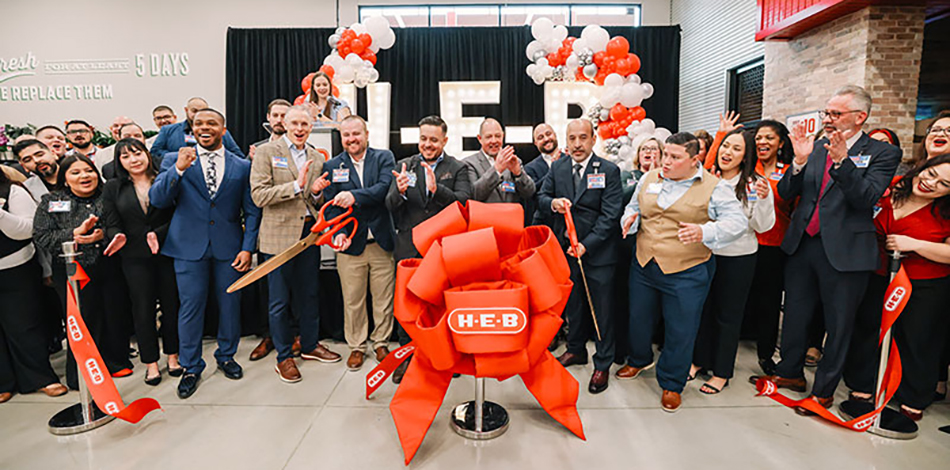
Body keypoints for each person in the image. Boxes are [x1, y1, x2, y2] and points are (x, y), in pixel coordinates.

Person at [749, 85, 902, 416]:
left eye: (836, 114)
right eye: (827, 113)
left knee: (839, 323)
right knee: (796, 315)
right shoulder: (815, 146)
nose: (828, 119)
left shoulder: (882, 153)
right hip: (804, 243)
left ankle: (824, 391)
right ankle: (789, 373)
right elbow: (789, 193)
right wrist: (799, 163)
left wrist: (843, 161)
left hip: (846, 252)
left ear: (860, 117)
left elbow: (865, 198)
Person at [618, 132, 747, 412]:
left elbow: (737, 222)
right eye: (665, 154)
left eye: (675, 157)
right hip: (644, 263)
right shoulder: (649, 178)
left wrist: (705, 231)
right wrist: (630, 218)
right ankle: (639, 360)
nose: (666, 161)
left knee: (681, 329)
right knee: (638, 319)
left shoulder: (714, 187)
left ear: (694, 160)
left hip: (686, 270)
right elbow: (634, 206)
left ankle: (672, 383)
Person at [149, 108, 261, 399]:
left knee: (229, 306)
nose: (204, 127)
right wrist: (179, 170)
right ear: (192, 129)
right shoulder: (174, 160)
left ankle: (226, 356)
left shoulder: (241, 166)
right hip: (187, 247)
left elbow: (251, 210)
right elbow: (158, 198)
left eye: (211, 123)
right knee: (190, 308)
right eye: (198, 123)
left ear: (223, 129)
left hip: (229, 247)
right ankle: (190, 366)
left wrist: (248, 247)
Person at [843, 155, 950, 421]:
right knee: (869, 328)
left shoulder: (946, 212)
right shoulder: (891, 185)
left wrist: (914, 244)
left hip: (923, 282)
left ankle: (914, 395)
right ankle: (863, 383)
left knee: (917, 338)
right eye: (931, 174)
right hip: (876, 272)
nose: (931, 183)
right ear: (923, 167)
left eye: (943, 183)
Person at [250, 106, 341, 383]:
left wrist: (314, 193)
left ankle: (311, 345)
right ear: (285, 124)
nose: (300, 128)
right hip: (277, 237)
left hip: (307, 236)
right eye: (295, 123)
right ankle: (284, 357)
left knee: (309, 294)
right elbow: (258, 195)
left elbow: (312, 202)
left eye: (305, 123)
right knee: (279, 301)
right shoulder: (267, 152)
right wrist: (296, 186)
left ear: (311, 126)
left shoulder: (315, 156)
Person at [33, 155, 134, 389]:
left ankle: (116, 362)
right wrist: (74, 233)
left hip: (109, 264)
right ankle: (82, 371)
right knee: (83, 319)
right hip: (72, 269)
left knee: (114, 313)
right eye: (75, 173)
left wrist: (103, 235)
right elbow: (41, 236)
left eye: (87, 171)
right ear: (65, 179)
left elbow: (126, 224)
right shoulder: (52, 201)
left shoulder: (108, 196)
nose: (83, 176)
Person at [538, 119, 622, 394]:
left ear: (593, 139)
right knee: (573, 305)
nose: (577, 144)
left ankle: (602, 362)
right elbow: (542, 195)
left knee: (603, 311)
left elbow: (611, 216)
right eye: (572, 138)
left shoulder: (608, 170)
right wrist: (553, 203)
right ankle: (575, 350)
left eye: (582, 138)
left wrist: (587, 244)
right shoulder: (559, 167)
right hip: (566, 253)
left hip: (597, 253)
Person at [386, 115, 472, 383]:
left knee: (442, 307)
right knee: (408, 307)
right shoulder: (404, 165)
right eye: (423, 138)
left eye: (434, 140)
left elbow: (465, 204)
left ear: (445, 140)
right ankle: (407, 358)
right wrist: (398, 193)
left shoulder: (458, 168)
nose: (428, 144)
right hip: (409, 248)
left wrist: (439, 190)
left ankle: (447, 358)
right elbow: (389, 205)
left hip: (442, 250)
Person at [691, 129, 775, 394]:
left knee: (728, 316)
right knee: (702, 311)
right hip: (704, 254)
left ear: (746, 155)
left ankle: (722, 372)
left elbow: (763, 225)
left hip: (738, 258)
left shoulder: (754, 184)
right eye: (726, 146)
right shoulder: (706, 179)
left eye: (736, 149)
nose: (727, 153)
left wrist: (763, 201)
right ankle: (697, 361)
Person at [100, 138, 181, 386]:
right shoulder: (113, 187)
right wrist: (116, 237)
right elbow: (111, 222)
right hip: (134, 256)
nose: (133, 160)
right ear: (119, 161)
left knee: (171, 306)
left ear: (147, 153)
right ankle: (150, 363)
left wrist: (160, 233)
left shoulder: (165, 177)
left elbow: (180, 212)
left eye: (137, 153)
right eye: (126, 156)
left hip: (167, 250)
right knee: (143, 309)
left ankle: (174, 357)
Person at [322, 115, 396, 372]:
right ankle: (357, 346)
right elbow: (330, 208)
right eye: (346, 135)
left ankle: (381, 342)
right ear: (341, 138)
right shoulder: (332, 165)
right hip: (350, 246)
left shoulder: (384, 157)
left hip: (380, 242)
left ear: (366, 134)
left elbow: (384, 189)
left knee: (383, 299)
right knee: (352, 300)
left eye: (356, 133)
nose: (352, 139)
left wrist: (353, 196)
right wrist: (337, 233)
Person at [0, 168, 67, 403]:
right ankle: (4, 381)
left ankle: (39, 378)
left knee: (24, 325)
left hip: (15, 268)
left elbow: (28, 229)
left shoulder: (12, 191)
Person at [744, 120, 796, 375]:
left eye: (769, 138)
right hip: (744, 243)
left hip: (775, 244)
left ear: (781, 143)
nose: (762, 142)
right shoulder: (746, 168)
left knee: (769, 301)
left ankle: (765, 353)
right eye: (759, 137)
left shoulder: (789, 172)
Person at [247, 98, 293, 362]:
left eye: (283, 115)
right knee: (271, 292)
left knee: (296, 291)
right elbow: (253, 193)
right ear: (269, 118)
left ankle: (294, 337)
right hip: (267, 230)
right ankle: (270, 337)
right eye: (275, 115)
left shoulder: (304, 150)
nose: (279, 120)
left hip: (297, 231)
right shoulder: (259, 150)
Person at [464, 118, 536, 207]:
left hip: (510, 219)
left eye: (498, 136)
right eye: (489, 137)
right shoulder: (468, 163)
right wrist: (497, 170)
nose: (494, 141)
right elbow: (473, 194)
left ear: (503, 136)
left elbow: (529, 192)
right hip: (484, 220)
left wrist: (518, 174)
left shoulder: (513, 160)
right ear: (479, 139)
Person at [150, 97, 245, 162]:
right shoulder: (168, 130)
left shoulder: (220, 132)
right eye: (194, 111)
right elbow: (154, 153)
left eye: (202, 111)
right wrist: (179, 156)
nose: (198, 114)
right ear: (186, 110)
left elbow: (237, 155)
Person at [526, 123, 565, 227]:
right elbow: (533, 193)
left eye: (548, 134)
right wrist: (553, 169)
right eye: (540, 137)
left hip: (569, 221)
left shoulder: (570, 160)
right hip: (544, 223)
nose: (546, 139)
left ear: (555, 135)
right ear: (536, 143)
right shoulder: (530, 168)